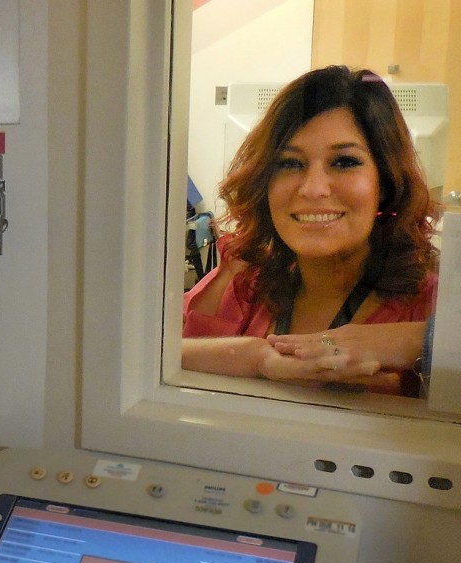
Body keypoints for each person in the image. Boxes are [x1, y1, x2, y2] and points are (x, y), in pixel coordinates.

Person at [181, 65, 440, 397]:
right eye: (290, 163)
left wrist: (416, 341)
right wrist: (257, 358)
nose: (313, 189)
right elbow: (147, 353)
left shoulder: (434, 307)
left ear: (386, 183)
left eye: (344, 162)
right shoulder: (242, 284)